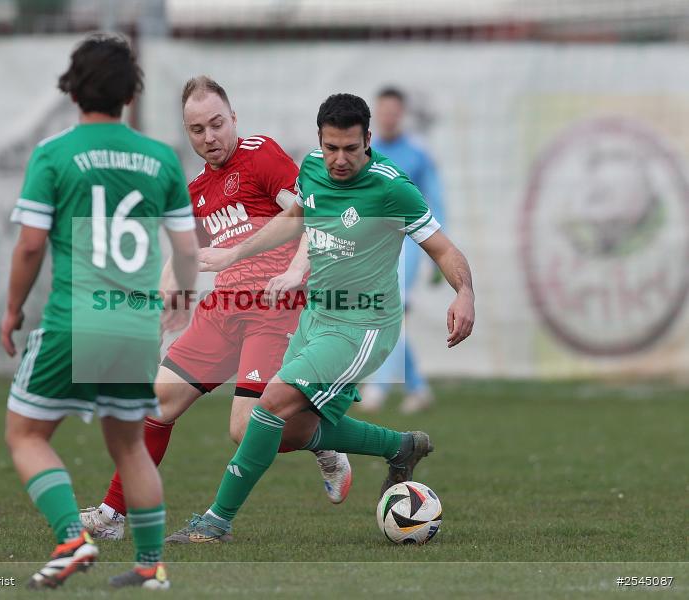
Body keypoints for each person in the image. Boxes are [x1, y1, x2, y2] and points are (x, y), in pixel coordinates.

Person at [165, 93, 474, 544]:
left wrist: (464, 292)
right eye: (332, 148)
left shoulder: (392, 187)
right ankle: (399, 447)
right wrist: (244, 255)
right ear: (320, 141)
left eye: (351, 148)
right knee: (291, 426)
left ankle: (216, 522)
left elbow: (443, 248)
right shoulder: (311, 168)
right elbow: (296, 218)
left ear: (368, 140)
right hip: (315, 316)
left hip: (362, 327)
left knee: (269, 404)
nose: (340, 159)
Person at [80, 76, 352, 542]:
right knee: (157, 402)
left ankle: (324, 441)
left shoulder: (261, 154)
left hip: (274, 307)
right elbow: (182, 256)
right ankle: (113, 515)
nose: (210, 138)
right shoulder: (197, 191)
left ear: (234, 119)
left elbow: (309, 211)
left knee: (244, 428)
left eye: (217, 124)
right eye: (197, 130)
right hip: (222, 312)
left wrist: (296, 272)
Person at [1, 33, 199, 589]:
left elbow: (30, 245)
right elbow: (187, 251)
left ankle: (71, 539)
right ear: (130, 94)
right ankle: (150, 565)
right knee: (130, 444)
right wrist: (181, 297)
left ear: (73, 89)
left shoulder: (54, 154)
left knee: (26, 434)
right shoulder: (160, 157)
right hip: (134, 322)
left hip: (74, 318)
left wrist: (13, 309)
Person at [360, 87, 448, 414]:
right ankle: (417, 386)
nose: (389, 117)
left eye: (394, 111)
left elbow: (437, 202)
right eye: (383, 111)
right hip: (375, 245)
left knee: (389, 307)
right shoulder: (365, 152)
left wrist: (441, 254)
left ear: (402, 114)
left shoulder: (417, 154)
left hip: (409, 241)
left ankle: (378, 389)